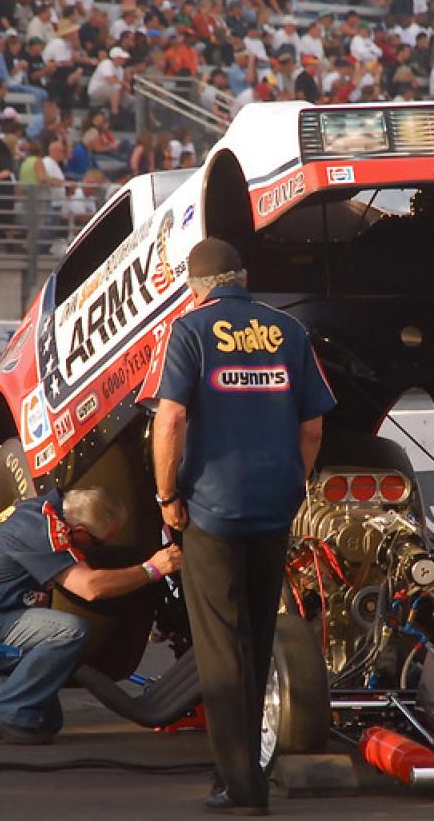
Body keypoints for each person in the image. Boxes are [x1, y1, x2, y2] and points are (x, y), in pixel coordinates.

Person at [138, 238, 336, 816]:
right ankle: (250, 767)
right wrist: (293, 484)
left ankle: (239, 782)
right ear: (243, 278)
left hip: (212, 509)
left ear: (195, 288)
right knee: (256, 636)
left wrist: (166, 496)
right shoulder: (289, 331)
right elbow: (314, 428)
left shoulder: (190, 331)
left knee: (222, 649)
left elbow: (170, 419)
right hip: (274, 505)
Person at [0, 486, 181, 744]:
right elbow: (90, 588)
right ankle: (3, 713)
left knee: (44, 720)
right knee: (69, 630)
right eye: (98, 543)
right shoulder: (41, 528)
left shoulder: (40, 512)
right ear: (79, 531)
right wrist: (152, 569)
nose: (97, 550)